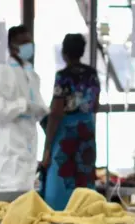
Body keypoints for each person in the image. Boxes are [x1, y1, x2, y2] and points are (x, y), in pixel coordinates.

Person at [40, 33, 100, 210]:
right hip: (87, 129)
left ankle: (60, 221)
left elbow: (57, 112)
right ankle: (85, 217)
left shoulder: (63, 76)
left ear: (64, 53)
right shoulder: (92, 74)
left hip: (68, 131)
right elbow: (95, 105)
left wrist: (47, 148)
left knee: (59, 178)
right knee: (84, 176)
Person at [0, 25, 48, 190]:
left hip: (28, 135)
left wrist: (41, 110)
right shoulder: (1, 69)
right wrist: (21, 106)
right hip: (10, 136)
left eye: (29, 42)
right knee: (13, 187)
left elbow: (36, 100)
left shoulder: (29, 70)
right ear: (12, 45)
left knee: (27, 187)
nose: (28, 46)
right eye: (23, 42)